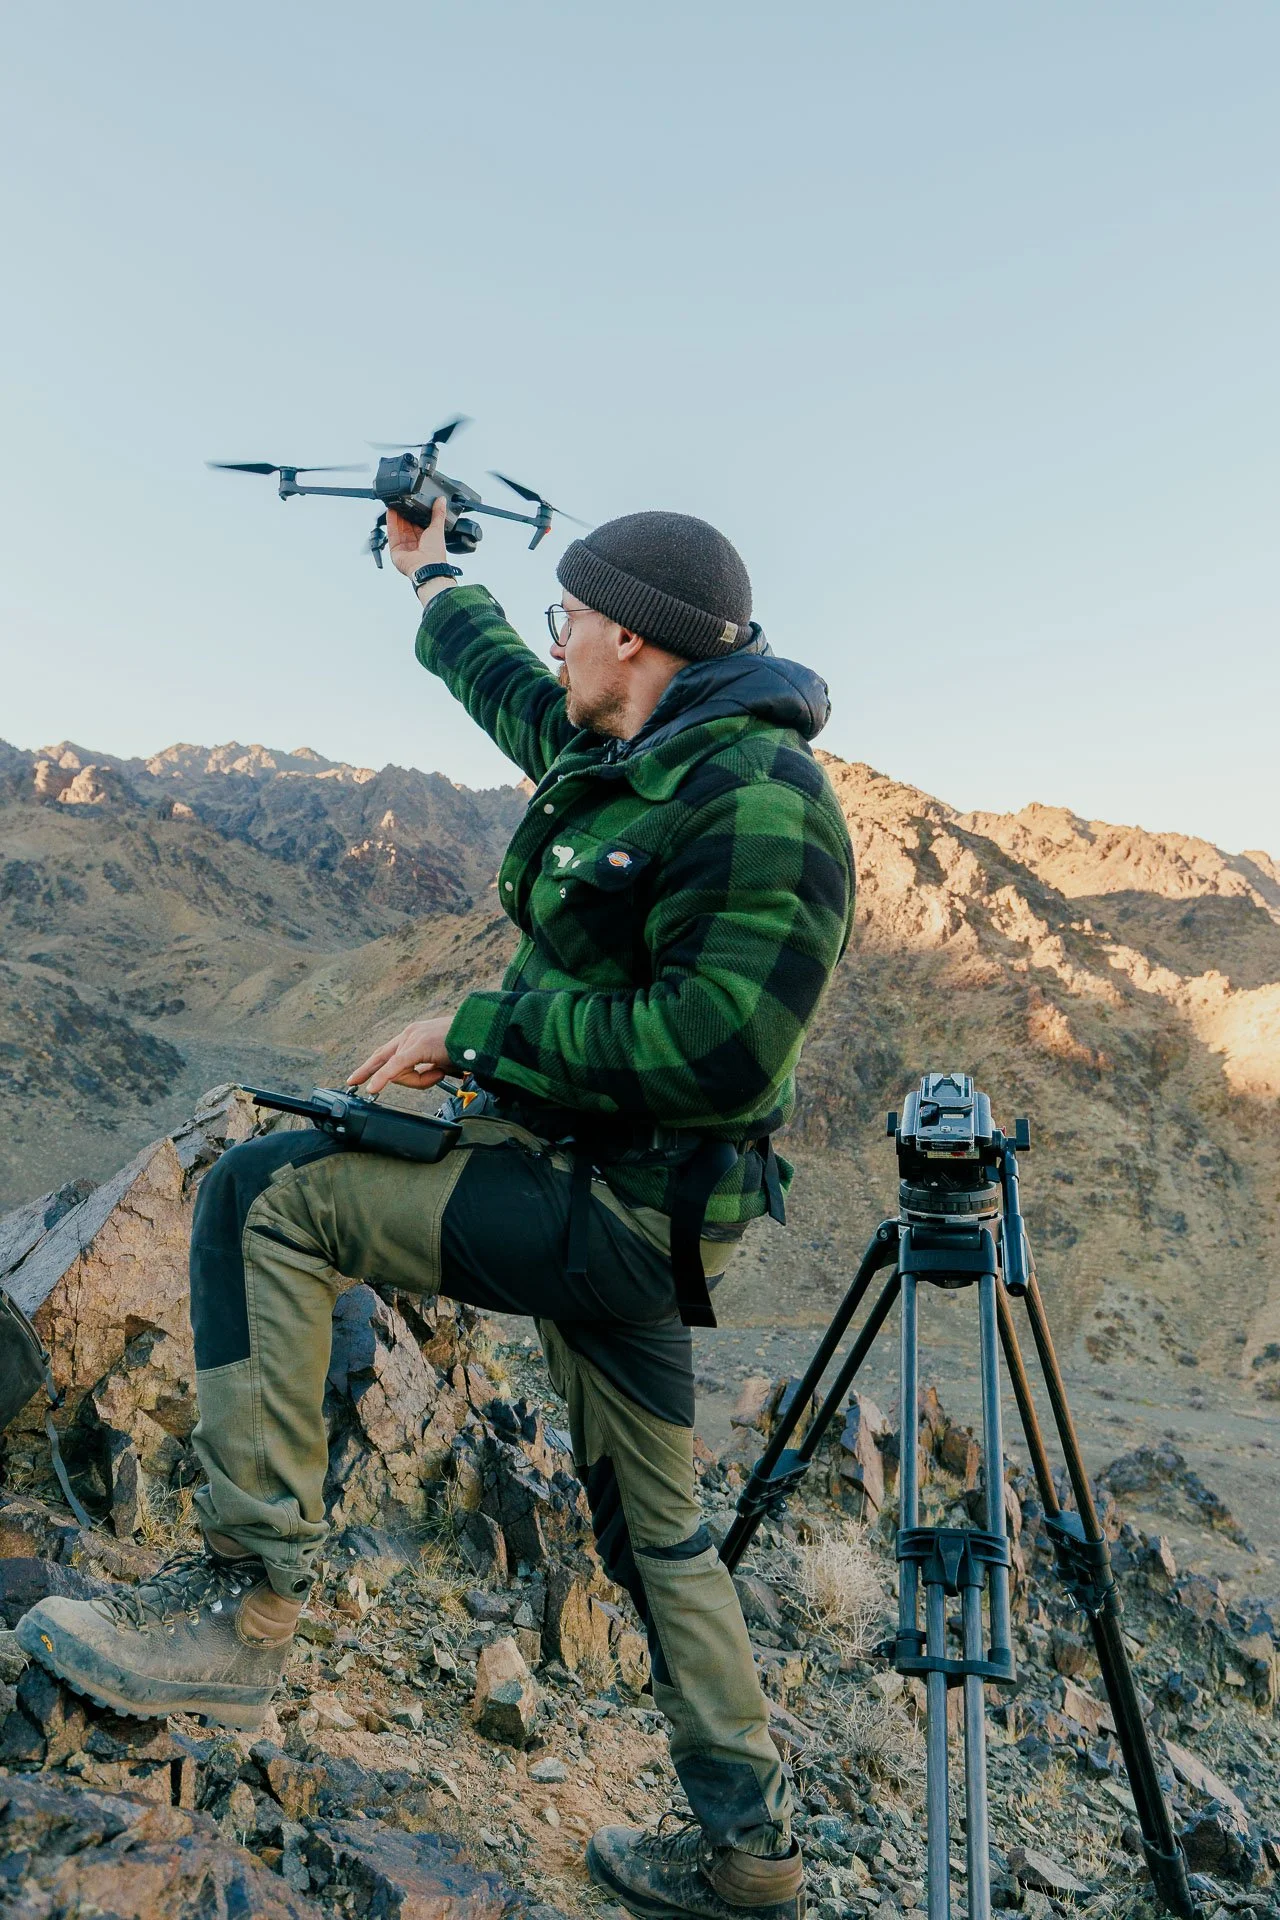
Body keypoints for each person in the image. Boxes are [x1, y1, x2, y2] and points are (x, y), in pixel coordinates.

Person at [20, 496, 855, 1920]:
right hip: (625, 1203)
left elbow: (724, 1046)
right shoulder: (639, 745)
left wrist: (479, 1035)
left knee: (263, 1201)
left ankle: (249, 1606)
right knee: (660, 1531)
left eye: (572, 618)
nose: (560, 643)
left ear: (633, 637)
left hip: (622, 1210)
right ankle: (749, 1853)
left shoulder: (761, 801)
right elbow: (503, 685)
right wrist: (424, 568)